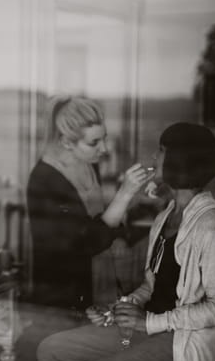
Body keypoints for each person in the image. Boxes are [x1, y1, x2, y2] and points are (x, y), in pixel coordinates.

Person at [37, 122, 215, 361]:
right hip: (146, 327)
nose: (154, 158)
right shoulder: (167, 216)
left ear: (179, 160)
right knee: (52, 350)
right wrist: (121, 308)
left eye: (161, 151)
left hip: (179, 338)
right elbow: (152, 285)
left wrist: (149, 322)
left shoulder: (210, 224)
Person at [27, 96, 150, 310]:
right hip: (65, 297)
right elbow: (81, 244)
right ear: (66, 141)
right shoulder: (45, 180)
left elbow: (97, 220)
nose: (104, 149)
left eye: (104, 138)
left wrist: (121, 233)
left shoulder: (87, 164)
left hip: (99, 280)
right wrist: (124, 194)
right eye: (94, 142)